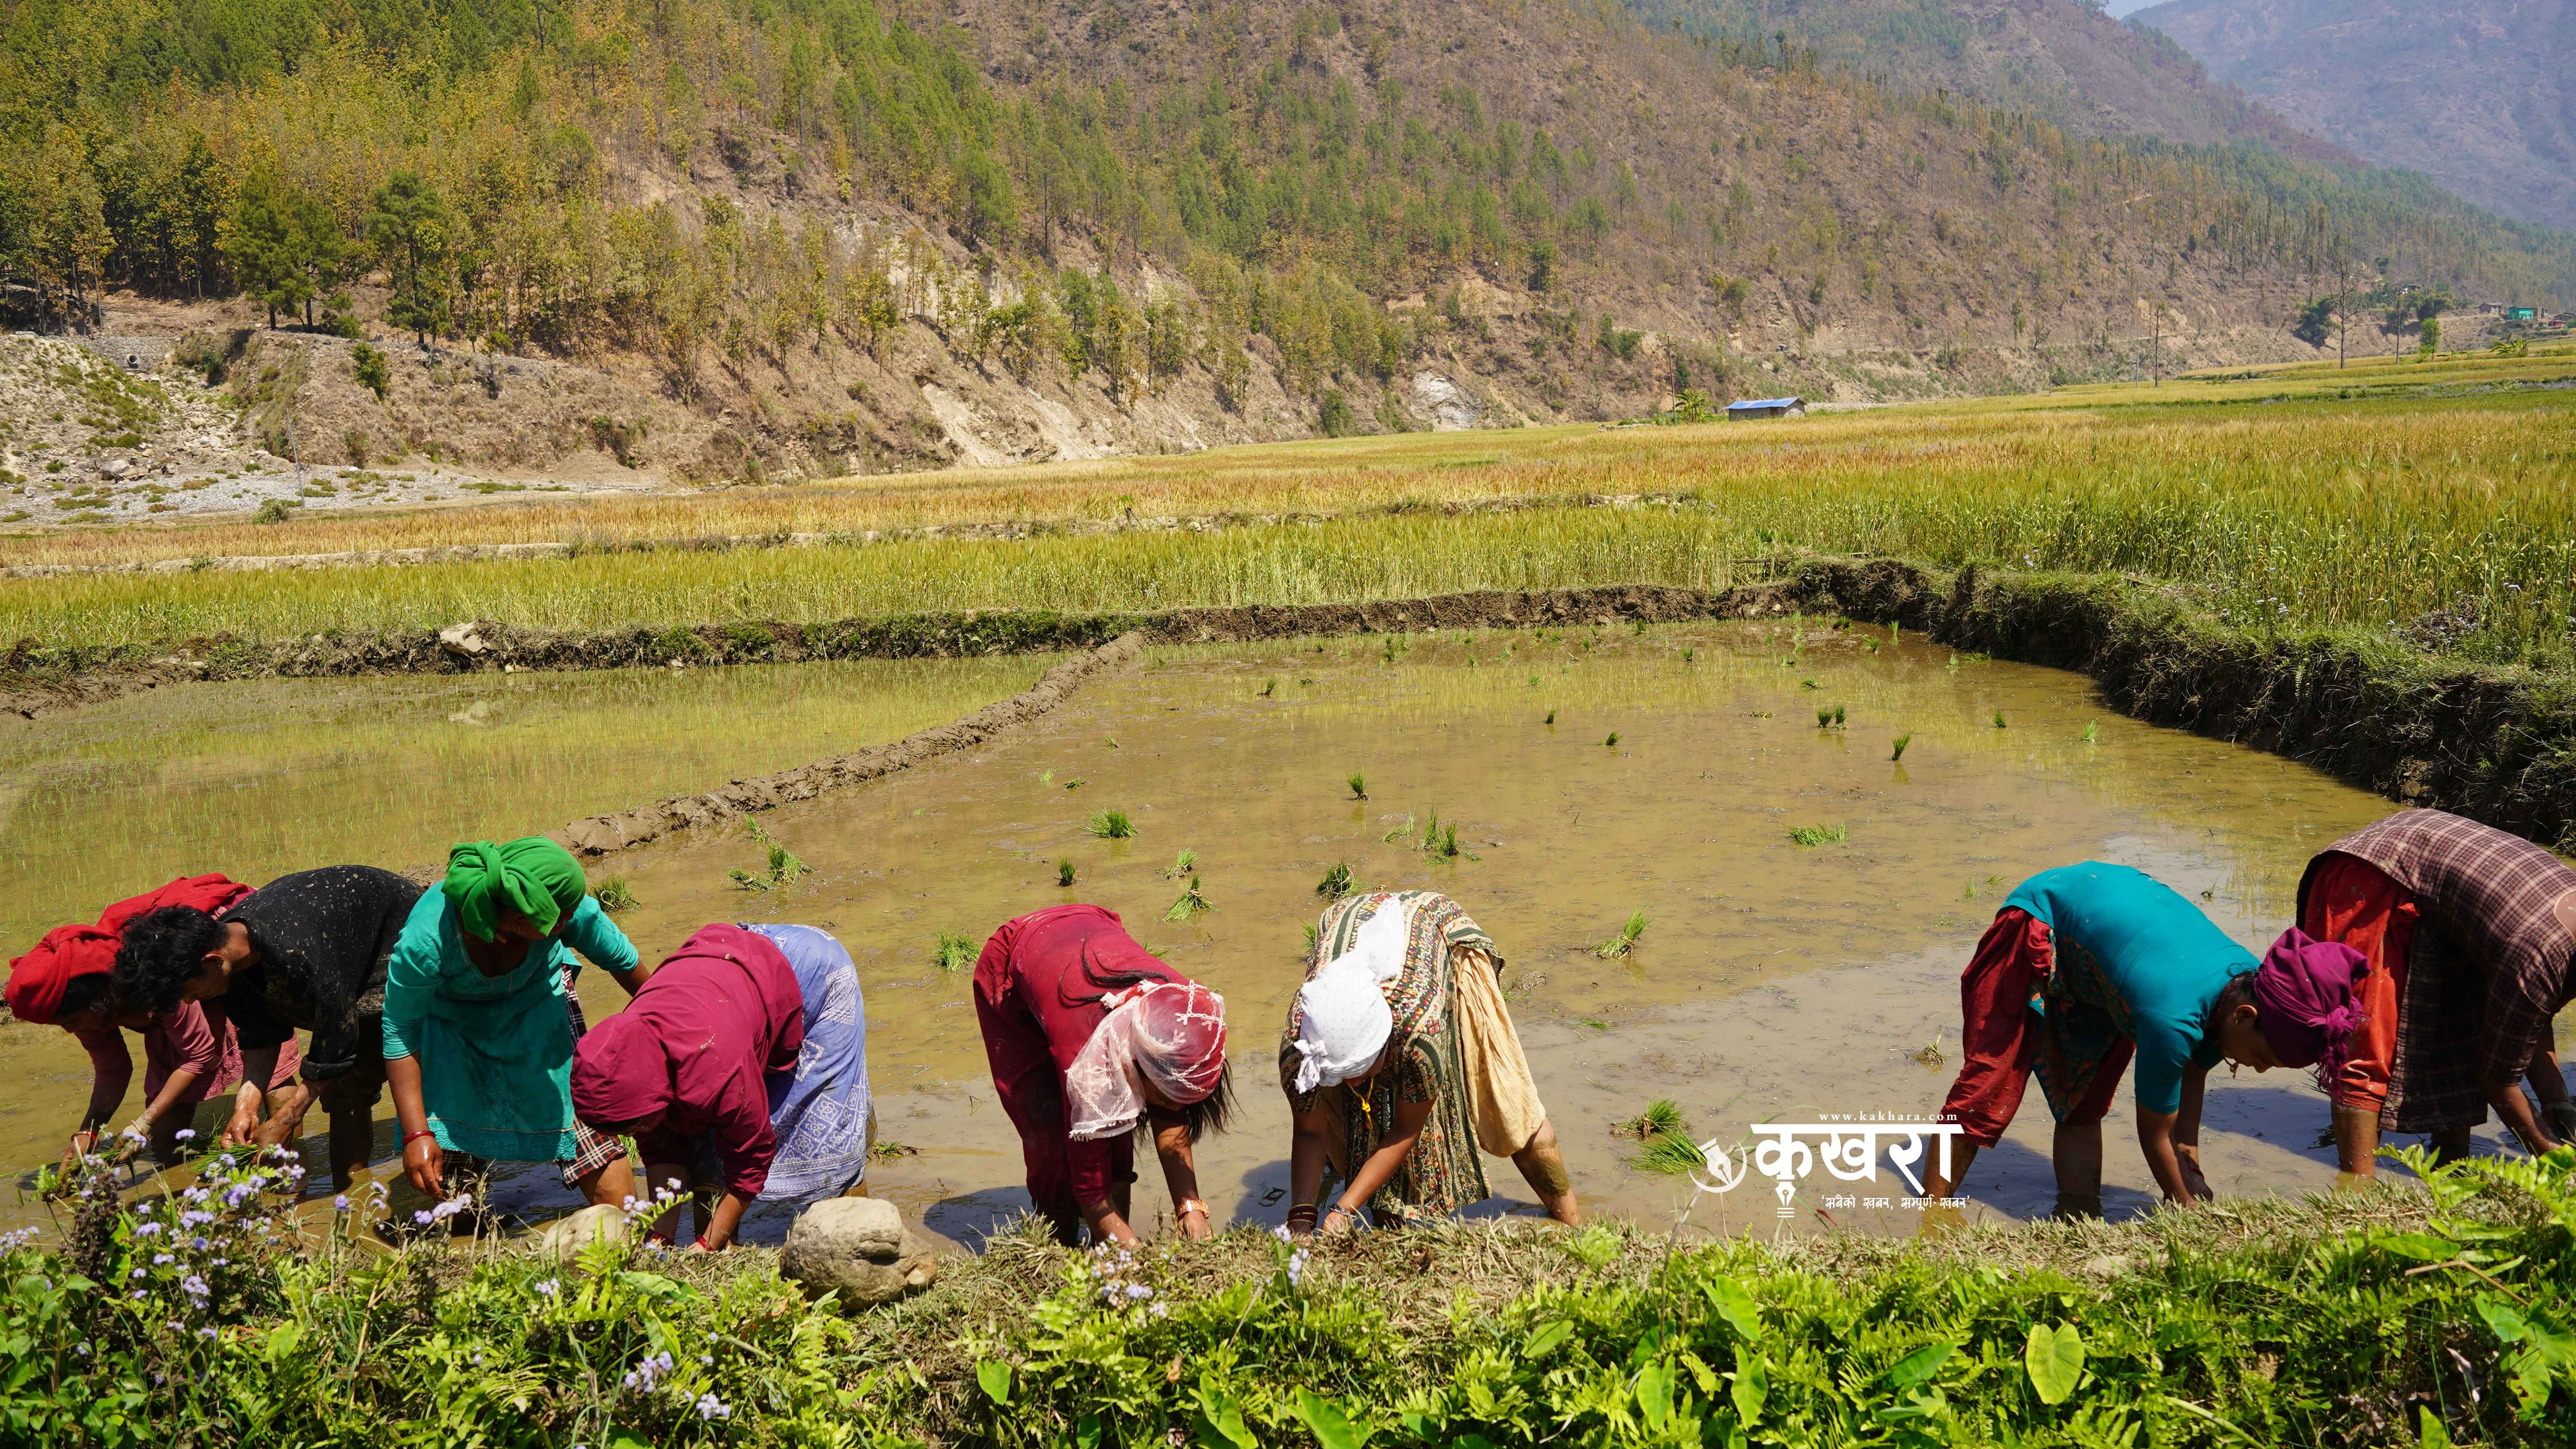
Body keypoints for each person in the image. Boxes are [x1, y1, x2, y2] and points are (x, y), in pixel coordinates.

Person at [1922, 861, 2367, 1214]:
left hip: (2101, 953)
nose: (2260, 1068)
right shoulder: (2173, 1016)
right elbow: (2155, 1134)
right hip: (2041, 918)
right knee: (1988, 1085)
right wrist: (2186, 1207)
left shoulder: (2244, 989)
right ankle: (1932, 1215)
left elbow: (2190, 1084)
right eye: (2265, 1057)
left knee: (2084, 1101)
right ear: (2245, 1018)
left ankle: (2079, 1219)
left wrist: (2191, 1170)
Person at [1281, 890, 1578, 1235]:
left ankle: (1573, 1224)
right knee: (1348, 1119)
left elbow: (1407, 1129)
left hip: (1438, 932)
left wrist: (1344, 1210)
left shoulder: (1420, 1032)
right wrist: (1300, 1221)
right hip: (1346, 921)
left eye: (1357, 1072)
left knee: (1506, 1104)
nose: (1351, 1085)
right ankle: (1386, 1225)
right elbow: (1308, 1130)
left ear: (1384, 1043)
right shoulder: (1302, 1042)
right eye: (1339, 1075)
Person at [2297, 809, 2576, 1175]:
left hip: (2439, 873)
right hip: (2378, 871)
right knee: (2367, 1042)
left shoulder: (2553, 953)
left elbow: (2528, 1019)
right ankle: (2358, 1184)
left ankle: (2451, 1162)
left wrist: (2557, 1102)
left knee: (2462, 1017)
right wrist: (2558, 1161)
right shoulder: (2539, 955)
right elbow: (2500, 1084)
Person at [115, 864, 424, 1189]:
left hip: (394, 947)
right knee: (345, 1096)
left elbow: (336, 1041)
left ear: (212, 963)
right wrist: (246, 1108)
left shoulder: (297, 949)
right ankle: (349, 1197)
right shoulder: (230, 962)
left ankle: (390, 1193)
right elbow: (261, 1035)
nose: (191, 1002)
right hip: (343, 958)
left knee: (372, 1084)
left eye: (189, 992)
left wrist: (289, 1117)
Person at [383, 839, 649, 1214]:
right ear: (523, 918)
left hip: (540, 1011)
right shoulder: (429, 939)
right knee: (458, 1208)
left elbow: (627, 966)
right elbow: (399, 1031)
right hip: (451, 1030)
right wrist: (417, 1134)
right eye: (563, 918)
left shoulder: (569, 910)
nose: (570, 922)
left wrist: (667, 1039)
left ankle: (629, 1241)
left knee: (594, 1151)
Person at [571, 922, 873, 1250]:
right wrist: (659, 1237)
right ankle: (724, 1250)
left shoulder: (713, 1067)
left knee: (828, 1143)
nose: (635, 1134)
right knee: (706, 1156)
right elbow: (662, 1150)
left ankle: (862, 1244)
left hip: (813, 974)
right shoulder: (634, 1064)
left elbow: (752, 1156)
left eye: (637, 1126)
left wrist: (706, 1245)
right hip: (730, 979)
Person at [972, 903, 1232, 1247]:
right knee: (1050, 1135)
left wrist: (1190, 1208)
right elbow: (1090, 1191)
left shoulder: (1183, 1014)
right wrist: (1138, 1260)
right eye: (1168, 1097)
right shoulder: (1084, 1054)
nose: (1172, 1107)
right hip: (1012, 969)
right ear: (1139, 1066)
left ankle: (1106, 1242)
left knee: (1118, 1131)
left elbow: (1171, 1113)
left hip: (1086, 930)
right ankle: (1059, 1245)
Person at [6, 875, 301, 1168]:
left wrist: (143, 1122)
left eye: (71, 1021)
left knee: (271, 1072)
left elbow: (197, 1054)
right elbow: (113, 1069)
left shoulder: (156, 975)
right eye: (63, 1025)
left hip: (210, 961)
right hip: (168, 996)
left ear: (103, 998)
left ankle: (290, 1169)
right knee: (166, 1132)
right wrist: (89, 1132)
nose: (71, 1030)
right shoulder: (88, 1008)